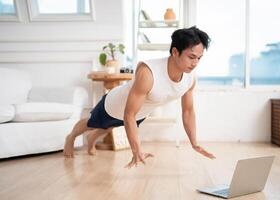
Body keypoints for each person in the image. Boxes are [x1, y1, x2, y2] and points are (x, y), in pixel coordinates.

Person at [63, 26, 216, 168]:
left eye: (199, 58)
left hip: (139, 113)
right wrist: (136, 151)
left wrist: (194, 143)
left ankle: (91, 140)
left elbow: (188, 111)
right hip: (115, 104)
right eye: (191, 57)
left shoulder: (190, 79)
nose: (195, 63)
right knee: (92, 123)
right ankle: (70, 137)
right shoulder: (148, 73)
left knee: (110, 126)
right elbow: (128, 113)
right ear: (175, 52)